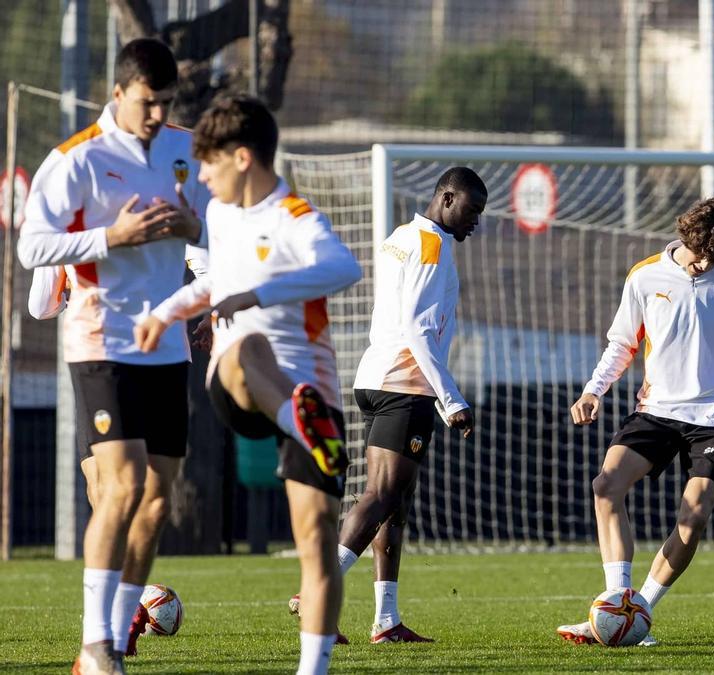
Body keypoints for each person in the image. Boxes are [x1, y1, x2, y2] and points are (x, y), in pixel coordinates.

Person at [136, 95, 361, 675]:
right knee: (246, 347)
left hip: (313, 390)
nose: (201, 175)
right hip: (239, 384)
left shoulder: (296, 215)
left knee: (316, 545)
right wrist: (165, 312)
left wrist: (257, 293)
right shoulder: (220, 215)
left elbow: (345, 268)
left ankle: (312, 670)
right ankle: (297, 419)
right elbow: (214, 287)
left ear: (241, 158)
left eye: (206, 163)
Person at [17, 38, 208, 675]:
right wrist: (110, 237)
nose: (156, 115)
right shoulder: (76, 159)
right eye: (147, 103)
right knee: (119, 487)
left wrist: (195, 231)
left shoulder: (185, 149)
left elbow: (225, 226)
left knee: (157, 499)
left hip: (166, 342)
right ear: (120, 92)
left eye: (166, 103)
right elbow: (30, 248)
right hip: (100, 339)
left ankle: (118, 641)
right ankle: (94, 645)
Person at [556, 197, 714, 646]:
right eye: (703, 254)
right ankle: (616, 604)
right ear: (686, 239)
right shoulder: (645, 275)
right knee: (605, 486)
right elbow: (622, 344)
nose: (708, 264)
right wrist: (594, 389)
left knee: (693, 517)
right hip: (657, 410)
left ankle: (638, 611)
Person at [303, 167, 484, 644]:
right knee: (382, 494)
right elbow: (418, 330)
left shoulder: (400, 236)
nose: (475, 222)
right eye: (471, 210)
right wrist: (451, 400)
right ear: (446, 198)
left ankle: (386, 619)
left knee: (395, 504)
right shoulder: (432, 244)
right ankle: (318, 589)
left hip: (375, 375)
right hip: (406, 384)